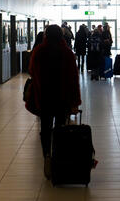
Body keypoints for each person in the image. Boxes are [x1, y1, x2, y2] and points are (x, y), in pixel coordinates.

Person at [29, 25, 81, 177]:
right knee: (60, 128)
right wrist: (75, 102)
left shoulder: (39, 51)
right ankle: (58, 157)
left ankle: (47, 155)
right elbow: (74, 79)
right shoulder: (67, 53)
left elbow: (31, 70)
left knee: (45, 129)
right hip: (62, 98)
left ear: (46, 35)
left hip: (45, 97)